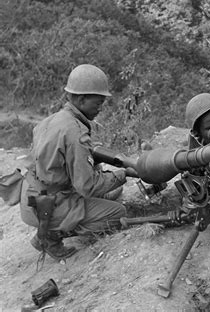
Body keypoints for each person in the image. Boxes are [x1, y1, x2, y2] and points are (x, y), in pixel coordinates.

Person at [20, 64, 133, 260]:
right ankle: (49, 236)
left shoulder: (51, 120)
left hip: (32, 198)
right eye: (97, 103)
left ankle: (52, 228)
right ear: (81, 99)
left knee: (113, 193)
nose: (100, 109)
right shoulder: (75, 133)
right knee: (117, 212)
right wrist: (122, 174)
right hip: (47, 205)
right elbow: (87, 186)